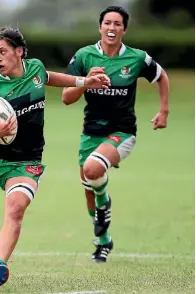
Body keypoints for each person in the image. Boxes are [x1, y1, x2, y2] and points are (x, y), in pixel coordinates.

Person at [0, 27, 110, 293]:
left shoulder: (35, 68)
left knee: (16, 208)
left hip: (27, 161)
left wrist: (84, 82)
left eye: (2, 51)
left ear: (19, 51)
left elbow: (50, 78)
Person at [61, 6, 169, 262]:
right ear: (100, 27)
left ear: (124, 29)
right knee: (89, 185)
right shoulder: (84, 57)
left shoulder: (136, 58)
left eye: (117, 24)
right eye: (107, 23)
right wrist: (86, 81)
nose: (112, 28)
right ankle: (103, 240)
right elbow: (66, 98)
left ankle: (104, 200)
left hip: (123, 132)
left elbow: (161, 76)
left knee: (93, 169)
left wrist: (163, 110)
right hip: (91, 132)